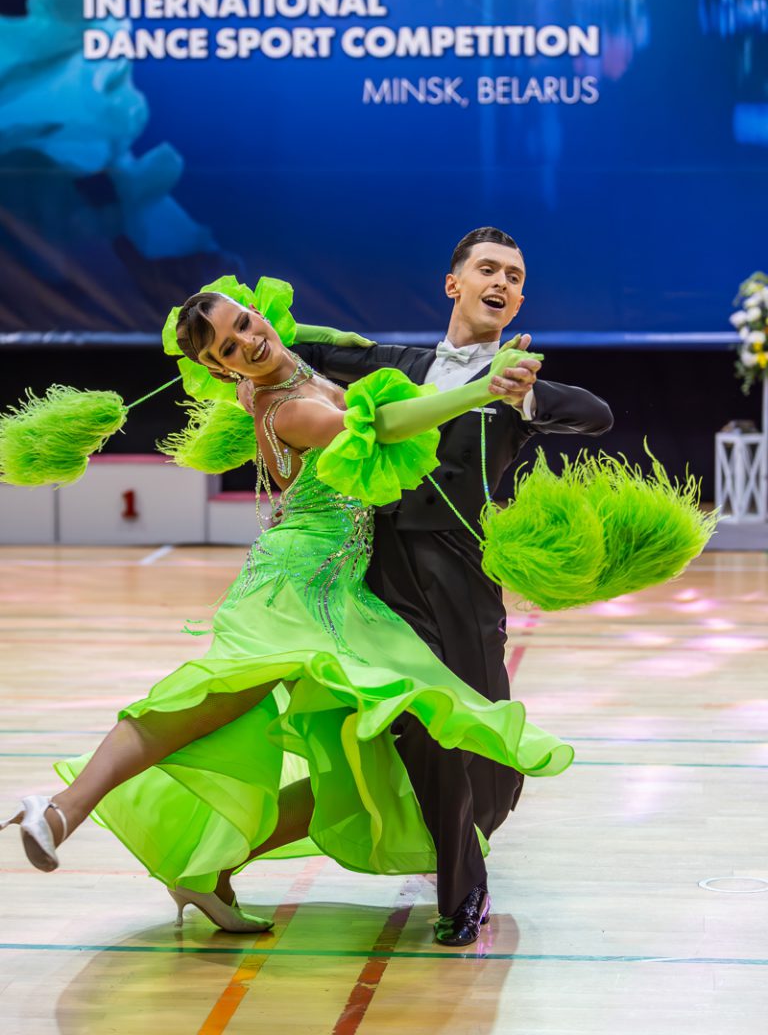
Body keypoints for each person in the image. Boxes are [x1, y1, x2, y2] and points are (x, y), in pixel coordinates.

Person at [1, 286, 573, 933]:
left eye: (247, 324)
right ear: (220, 368)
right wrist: (481, 388)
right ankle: (60, 810)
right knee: (204, 704)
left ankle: (208, 872)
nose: (249, 341)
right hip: (295, 584)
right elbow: (386, 426)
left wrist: (322, 342)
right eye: (229, 347)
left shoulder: (273, 381)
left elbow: (309, 342)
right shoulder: (289, 407)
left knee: (356, 762)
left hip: (338, 592)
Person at [295, 227, 613, 945]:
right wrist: (237, 331)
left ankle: (467, 834)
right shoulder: (398, 365)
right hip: (384, 571)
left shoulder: (516, 380)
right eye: (488, 269)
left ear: (519, 301)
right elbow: (302, 347)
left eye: (514, 277)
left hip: (463, 574)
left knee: (487, 755)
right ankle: (462, 887)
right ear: (454, 284)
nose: (501, 283)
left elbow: (598, 416)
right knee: (417, 718)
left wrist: (524, 397)